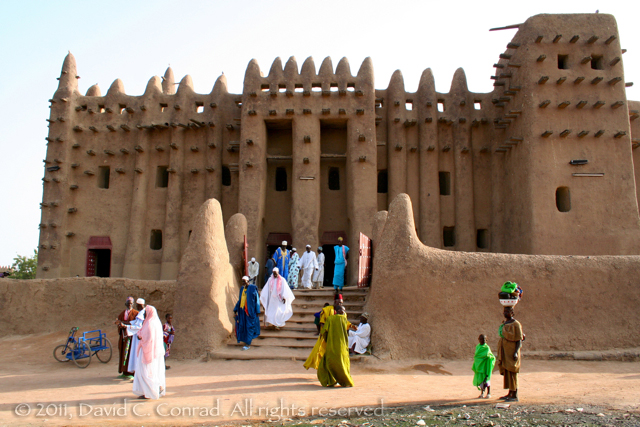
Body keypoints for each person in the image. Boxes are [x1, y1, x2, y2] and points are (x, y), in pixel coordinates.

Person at [132, 305, 166, 400]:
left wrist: (141, 338)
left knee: (145, 372)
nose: (144, 314)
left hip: (147, 351)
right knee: (149, 371)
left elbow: (148, 338)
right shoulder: (153, 322)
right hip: (151, 351)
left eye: (146, 312)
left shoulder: (150, 323)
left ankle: (152, 390)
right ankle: (150, 390)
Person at [317, 305, 354, 387]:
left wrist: (327, 339)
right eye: (343, 310)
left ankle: (330, 381)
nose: (344, 312)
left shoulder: (330, 319)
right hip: (342, 346)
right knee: (343, 364)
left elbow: (324, 331)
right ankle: (346, 381)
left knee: (328, 363)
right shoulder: (344, 319)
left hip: (331, 345)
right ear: (339, 311)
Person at [497, 306, 524, 402]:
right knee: (507, 372)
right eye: (504, 311)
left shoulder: (516, 324)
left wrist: (516, 352)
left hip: (512, 352)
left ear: (512, 312)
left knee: (512, 372)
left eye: (507, 311)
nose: (505, 313)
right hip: (505, 352)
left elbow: (519, 340)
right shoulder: (504, 324)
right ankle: (510, 392)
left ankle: (515, 394)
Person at [234, 276, 261, 350]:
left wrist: (257, 310)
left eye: (244, 281)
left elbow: (257, 300)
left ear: (248, 281)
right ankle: (246, 340)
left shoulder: (253, 289)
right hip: (242, 312)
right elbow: (240, 300)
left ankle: (248, 343)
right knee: (244, 326)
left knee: (250, 326)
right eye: (242, 281)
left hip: (250, 312)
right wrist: (236, 309)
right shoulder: (242, 289)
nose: (243, 282)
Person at [121, 298, 146, 375]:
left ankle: (138, 373)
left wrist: (126, 326)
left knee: (137, 354)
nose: (135, 307)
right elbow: (135, 322)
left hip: (138, 337)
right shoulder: (141, 312)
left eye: (137, 305)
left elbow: (138, 326)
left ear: (140, 305)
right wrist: (125, 323)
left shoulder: (141, 313)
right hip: (136, 336)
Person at [115, 297, 138, 379]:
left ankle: (131, 372)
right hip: (123, 337)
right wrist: (120, 325)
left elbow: (136, 325)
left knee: (131, 353)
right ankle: (124, 371)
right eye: (128, 303)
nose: (129, 305)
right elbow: (118, 323)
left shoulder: (136, 313)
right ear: (125, 304)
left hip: (132, 338)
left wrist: (124, 324)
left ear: (133, 304)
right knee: (123, 353)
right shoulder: (122, 314)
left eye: (131, 303)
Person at [472, 334, 495, 399]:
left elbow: (490, 356)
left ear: (486, 340)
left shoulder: (487, 347)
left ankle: (489, 393)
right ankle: (482, 393)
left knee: (487, 380)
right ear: (479, 340)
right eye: (481, 339)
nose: (483, 340)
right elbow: (477, 356)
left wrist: (489, 358)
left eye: (484, 339)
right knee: (481, 381)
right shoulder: (477, 347)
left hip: (485, 367)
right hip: (480, 366)